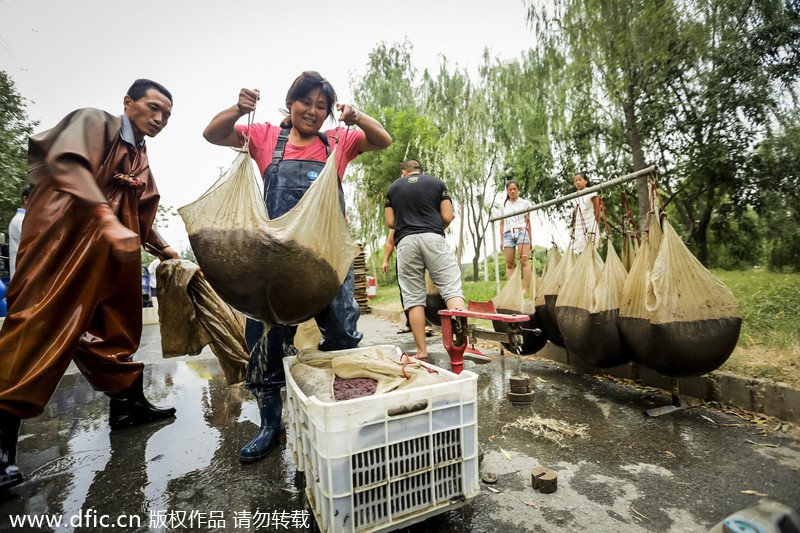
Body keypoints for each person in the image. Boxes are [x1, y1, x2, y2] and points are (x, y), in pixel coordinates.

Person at [0, 79, 180, 492]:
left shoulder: (140, 155)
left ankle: (128, 407)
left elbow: (143, 210)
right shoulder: (94, 122)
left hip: (112, 258)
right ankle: (0, 449)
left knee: (115, 328)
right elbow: (67, 164)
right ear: (128, 102)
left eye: (167, 115)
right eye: (153, 108)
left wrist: (166, 250)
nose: (159, 119)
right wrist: (106, 218)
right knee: (35, 328)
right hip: (63, 246)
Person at [203, 71, 391, 463]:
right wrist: (239, 109)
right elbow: (212, 134)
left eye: (322, 107)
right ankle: (271, 425)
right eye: (306, 102)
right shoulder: (268, 137)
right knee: (265, 343)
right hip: (275, 266)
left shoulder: (338, 141)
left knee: (341, 336)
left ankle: (342, 416)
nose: (313, 111)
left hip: (326, 264)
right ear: (291, 102)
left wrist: (356, 117)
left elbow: (382, 139)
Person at [385, 159, 465, 360]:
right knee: (451, 289)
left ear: (404, 172)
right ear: (420, 171)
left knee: (413, 298)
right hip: (433, 237)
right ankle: (463, 346)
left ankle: (421, 352)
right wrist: (433, 230)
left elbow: (391, 222)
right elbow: (447, 216)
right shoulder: (437, 183)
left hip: (405, 242)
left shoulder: (394, 187)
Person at [382, 229, 433, 336]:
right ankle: (410, 323)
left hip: (423, 251)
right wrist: (385, 260)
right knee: (405, 291)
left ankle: (426, 323)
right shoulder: (398, 217)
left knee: (422, 289)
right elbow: (390, 241)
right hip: (404, 255)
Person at [498, 180, 533, 294]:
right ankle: (512, 290)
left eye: (514, 189)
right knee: (509, 263)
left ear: (518, 190)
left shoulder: (524, 203)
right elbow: (502, 223)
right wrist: (502, 240)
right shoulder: (503, 205)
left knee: (524, 260)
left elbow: (528, 221)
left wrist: (530, 239)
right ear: (507, 191)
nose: (512, 191)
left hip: (522, 232)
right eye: (510, 189)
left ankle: (525, 289)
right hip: (508, 233)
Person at [7, 184, 33, 282]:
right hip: (23, 278)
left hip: (21, 277)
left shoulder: (21, 219)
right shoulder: (21, 221)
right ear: (25, 199)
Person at [572, 171, 600, 253]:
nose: (577, 182)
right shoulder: (574, 197)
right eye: (575, 181)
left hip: (590, 223)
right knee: (582, 251)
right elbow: (576, 213)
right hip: (579, 226)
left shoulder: (591, 192)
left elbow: (597, 209)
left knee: (592, 249)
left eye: (580, 180)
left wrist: (597, 225)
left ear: (585, 181)